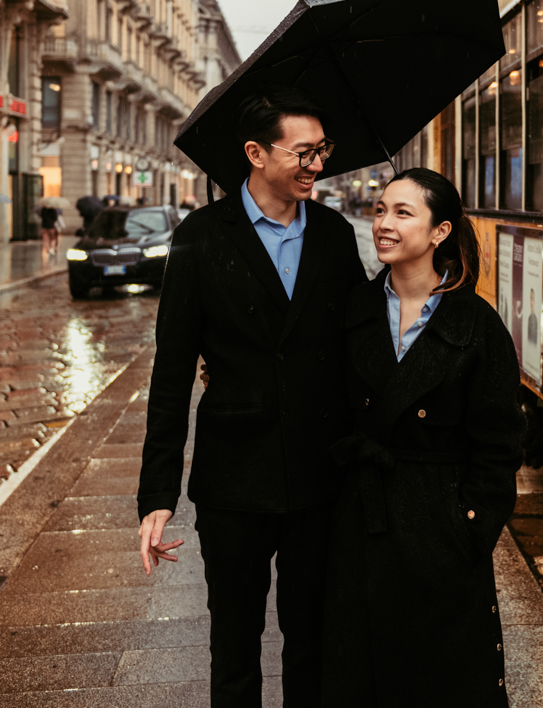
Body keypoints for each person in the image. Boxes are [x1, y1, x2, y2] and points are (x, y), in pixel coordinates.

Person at [137, 86, 366, 708]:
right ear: (255, 153)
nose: (317, 165)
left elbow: (359, 347)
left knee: (312, 637)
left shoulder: (334, 233)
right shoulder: (202, 235)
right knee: (233, 643)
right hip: (233, 481)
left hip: (320, 477)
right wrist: (157, 495)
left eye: (322, 151)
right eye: (303, 153)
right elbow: (173, 367)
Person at [322, 168, 526, 707]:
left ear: (440, 232)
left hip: (440, 531)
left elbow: (500, 445)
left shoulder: (478, 326)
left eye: (402, 213)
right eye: (382, 210)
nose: (384, 223)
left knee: (444, 683)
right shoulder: (353, 312)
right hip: (359, 525)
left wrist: (468, 527)